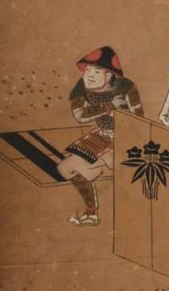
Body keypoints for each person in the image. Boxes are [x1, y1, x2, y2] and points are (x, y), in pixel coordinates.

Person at [55, 46, 143, 226]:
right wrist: (108, 107)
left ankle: (136, 217)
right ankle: (91, 213)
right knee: (65, 168)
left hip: (125, 138)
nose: (90, 75)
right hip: (102, 135)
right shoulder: (81, 86)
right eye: (87, 70)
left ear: (109, 74)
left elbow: (139, 119)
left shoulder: (126, 86)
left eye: (96, 71)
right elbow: (80, 115)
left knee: (123, 170)